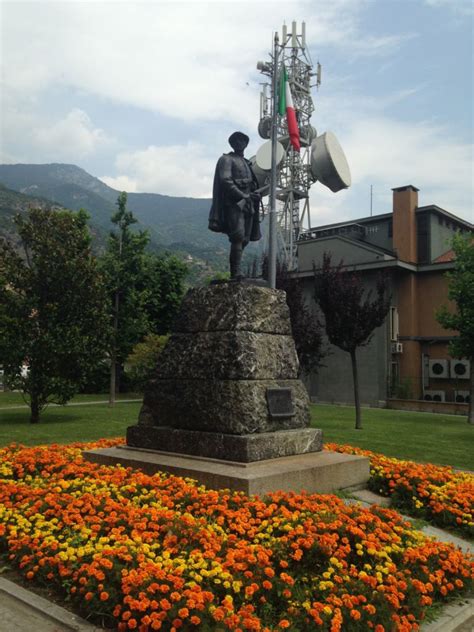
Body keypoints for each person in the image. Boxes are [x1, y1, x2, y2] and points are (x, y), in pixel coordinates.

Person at [208, 131, 261, 279]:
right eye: (236, 141)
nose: (240, 143)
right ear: (232, 143)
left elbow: (253, 184)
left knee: (245, 238)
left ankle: (236, 270)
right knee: (237, 235)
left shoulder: (247, 163)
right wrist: (243, 195)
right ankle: (235, 272)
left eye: (243, 140)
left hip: (248, 203)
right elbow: (225, 180)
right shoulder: (226, 159)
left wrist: (254, 194)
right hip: (233, 203)